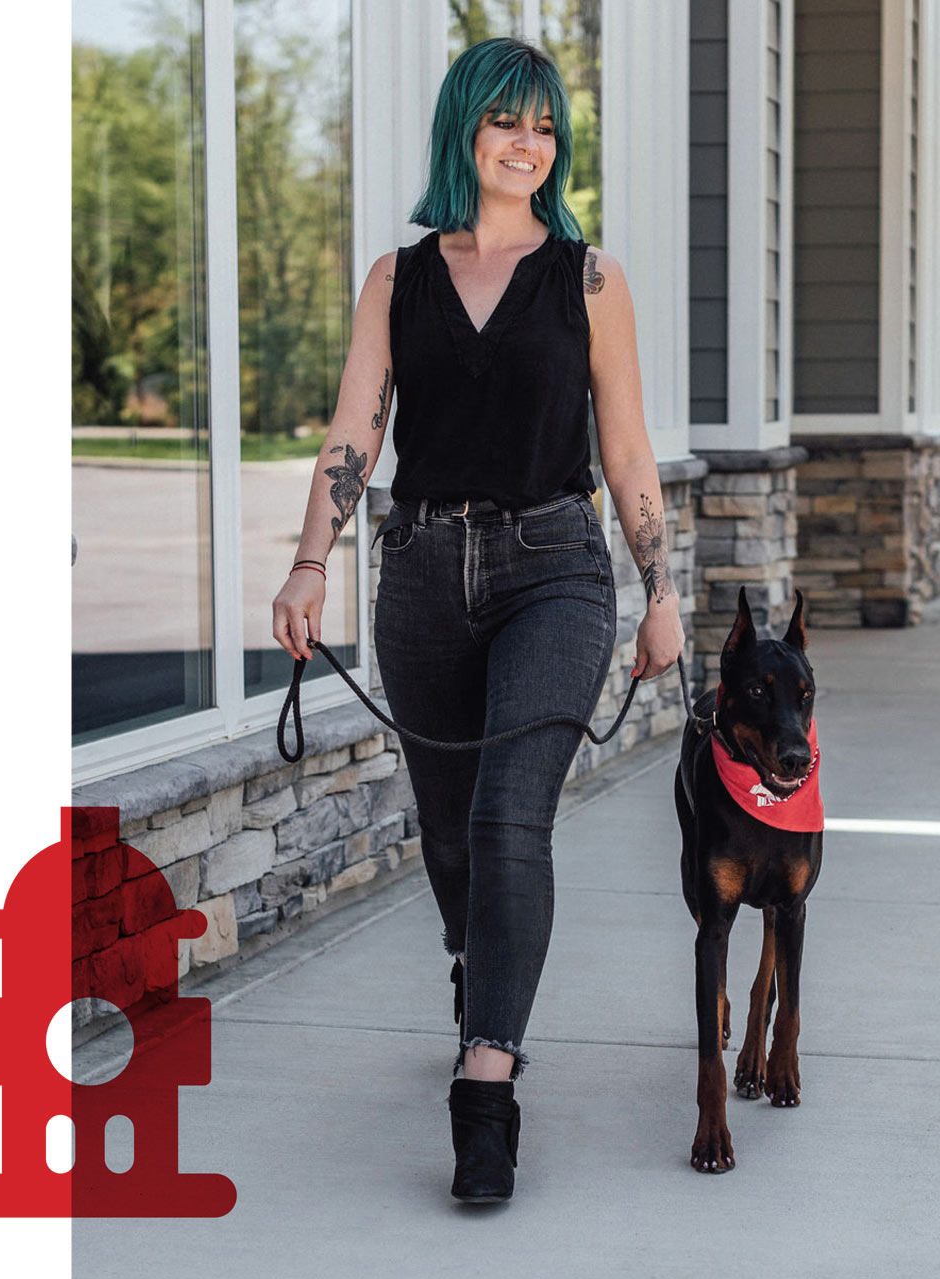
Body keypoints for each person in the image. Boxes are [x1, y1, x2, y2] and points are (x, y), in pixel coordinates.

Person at [272, 36, 684, 1204]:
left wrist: (661, 590)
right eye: (507, 120)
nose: (528, 143)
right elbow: (355, 429)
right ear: (465, 129)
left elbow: (626, 447)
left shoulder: (589, 280)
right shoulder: (398, 280)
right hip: (419, 575)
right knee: (450, 836)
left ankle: (487, 1083)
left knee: (511, 821)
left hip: (554, 565)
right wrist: (312, 562)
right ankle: (480, 967)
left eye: (545, 126)